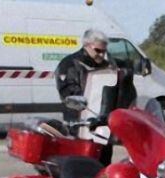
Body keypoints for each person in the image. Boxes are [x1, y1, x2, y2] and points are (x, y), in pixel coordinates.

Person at [55, 29, 136, 165]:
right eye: (98, 50)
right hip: (80, 124)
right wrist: (83, 102)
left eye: (104, 51)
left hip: (103, 124)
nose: (101, 55)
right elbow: (67, 93)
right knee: (83, 165)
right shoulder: (69, 64)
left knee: (104, 163)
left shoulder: (108, 65)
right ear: (87, 45)